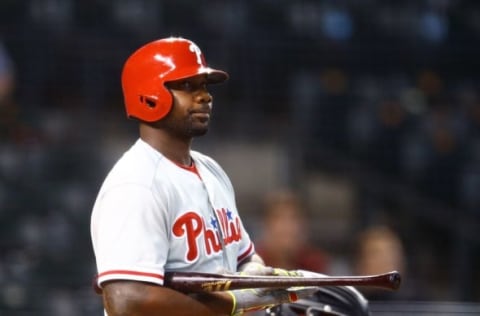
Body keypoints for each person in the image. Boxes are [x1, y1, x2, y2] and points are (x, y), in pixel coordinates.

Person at [90, 37, 319, 316]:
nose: (205, 96)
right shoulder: (136, 184)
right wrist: (234, 304)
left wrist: (259, 278)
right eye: (187, 85)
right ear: (149, 94)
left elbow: (244, 257)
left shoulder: (211, 170)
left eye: (204, 86)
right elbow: (127, 300)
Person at [254, 189, 330, 273]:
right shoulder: (252, 262)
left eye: (294, 218)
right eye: (278, 218)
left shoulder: (314, 262)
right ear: (266, 223)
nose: (287, 226)